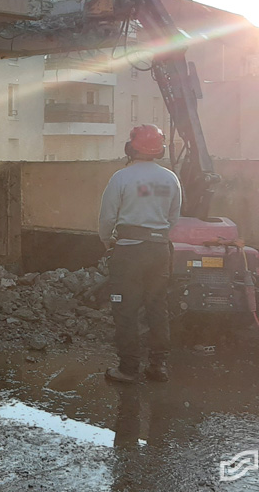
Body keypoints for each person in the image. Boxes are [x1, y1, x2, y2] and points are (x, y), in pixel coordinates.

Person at [98, 124, 182, 384]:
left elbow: (107, 218)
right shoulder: (170, 178)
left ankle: (129, 368)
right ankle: (159, 366)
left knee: (126, 310)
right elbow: (173, 217)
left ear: (130, 147)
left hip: (129, 252)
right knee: (157, 307)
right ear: (160, 149)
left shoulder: (121, 178)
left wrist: (107, 241)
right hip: (159, 251)